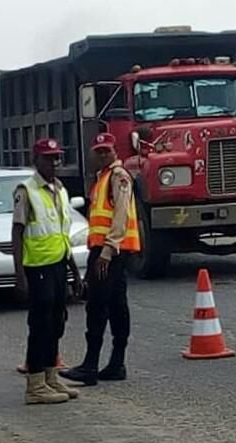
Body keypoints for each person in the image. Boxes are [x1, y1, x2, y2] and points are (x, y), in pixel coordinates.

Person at [61, 133, 140, 386]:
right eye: (99, 150)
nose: (103, 154)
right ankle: (116, 364)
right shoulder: (104, 178)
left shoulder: (118, 177)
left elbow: (120, 215)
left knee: (97, 306)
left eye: (107, 150)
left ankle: (91, 365)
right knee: (116, 306)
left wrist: (107, 251)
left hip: (110, 252)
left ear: (115, 151)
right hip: (109, 250)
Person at [12, 138, 82, 404]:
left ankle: (51, 377)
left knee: (57, 322)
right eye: (48, 158)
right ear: (36, 160)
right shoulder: (26, 191)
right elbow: (17, 233)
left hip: (58, 265)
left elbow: (62, 234)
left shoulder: (60, 189)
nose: (53, 163)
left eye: (56, 158)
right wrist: (19, 275)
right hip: (37, 267)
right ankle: (35, 384)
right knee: (40, 325)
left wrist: (74, 271)